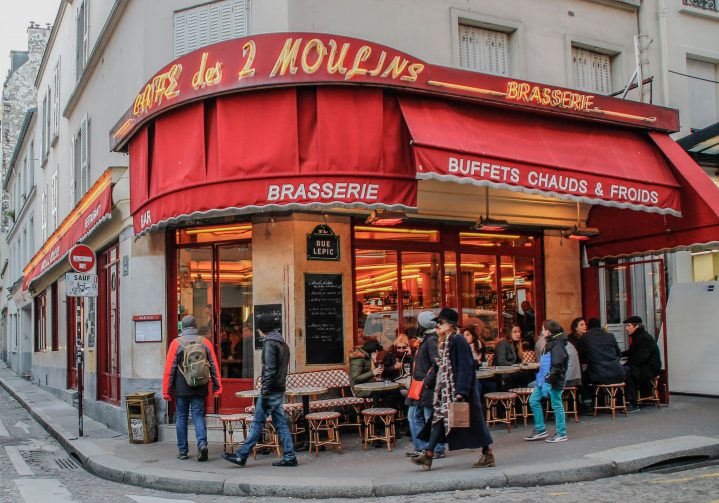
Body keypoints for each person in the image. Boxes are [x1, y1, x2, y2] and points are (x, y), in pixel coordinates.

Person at [410, 308, 494, 470]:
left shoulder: (458, 340)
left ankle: (487, 453)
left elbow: (465, 366)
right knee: (438, 420)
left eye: (440, 323)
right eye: (437, 323)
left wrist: (461, 392)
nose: (437, 326)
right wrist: (430, 381)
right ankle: (428, 455)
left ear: (451, 325)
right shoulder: (446, 341)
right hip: (447, 391)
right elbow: (440, 367)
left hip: (461, 390)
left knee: (474, 424)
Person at [223, 313, 298, 467]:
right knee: (281, 423)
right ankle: (290, 456)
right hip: (278, 388)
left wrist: (264, 394)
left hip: (270, 391)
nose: (257, 331)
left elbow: (269, 370)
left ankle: (241, 455)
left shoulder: (270, 343)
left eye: (258, 328)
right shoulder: (282, 343)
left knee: (257, 422)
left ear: (262, 328)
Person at [162, 315, 223, 461]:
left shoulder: (175, 344)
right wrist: (217, 387)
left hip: (181, 387)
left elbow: (169, 369)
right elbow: (214, 365)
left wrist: (167, 391)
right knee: (198, 416)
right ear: (195, 326)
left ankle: (182, 450)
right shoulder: (205, 342)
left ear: (182, 327)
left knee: (181, 417)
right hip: (200, 386)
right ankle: (202, 444)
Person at [406, 311, 446, 459]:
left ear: (422, 325)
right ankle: (423, 447)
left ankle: (435, 448)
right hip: (420, 384)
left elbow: (437, 364)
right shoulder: (428, 339)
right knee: (416, 415)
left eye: (418, 323)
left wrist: (428, 382)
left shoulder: (430, 341)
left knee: (429, 416)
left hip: (426, 385)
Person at [525, 320, 569, 443]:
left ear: (548, 332)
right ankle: (540, 429)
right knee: (533, 401)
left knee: (557, 405)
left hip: (552, 380)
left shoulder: (557, 345)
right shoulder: (552, 343)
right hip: (544, 379)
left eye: (543, 329)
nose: (542, 331)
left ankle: (561, 433)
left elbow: (557, 365)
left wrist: (549, 380)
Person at [578, 318, 624, 412]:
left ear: (589, 327)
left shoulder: (585, 337)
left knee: (581, 379)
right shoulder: (610, 336)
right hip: (617, 373)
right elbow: (619, 354)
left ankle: (588, 403)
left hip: (598, 374)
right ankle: (616, 400)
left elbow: (581, 357)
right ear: (600, 326)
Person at [621, 316, 661, 413]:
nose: (626, 328)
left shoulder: (644, 338)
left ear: (636, 326)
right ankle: (623, 400)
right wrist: (618, 354)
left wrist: (625, 365)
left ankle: (633, 403)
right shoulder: (639, 336)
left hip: (650, 368)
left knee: (628, 372)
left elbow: (640, 358)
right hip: (644, 366)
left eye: (629, 326)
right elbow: (631, 352)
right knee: (626, 369)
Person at [494, 324, 531, 389]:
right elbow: (501, 361)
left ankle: (524, 395)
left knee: (529, 373)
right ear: (509, 333)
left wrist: (521, 365)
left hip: (513, 372)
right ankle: (522, 396)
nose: (517, 334)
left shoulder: (516, 344)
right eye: (515, 332)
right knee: (526, 376)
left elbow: (518, 361)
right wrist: (516, 365)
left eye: (519, 331)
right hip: (504, 373)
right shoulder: (503, 343)